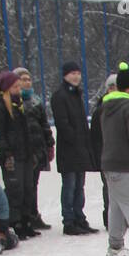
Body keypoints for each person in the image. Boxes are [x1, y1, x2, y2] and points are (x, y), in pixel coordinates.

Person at [100, 62, 129, 256]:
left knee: (117, 205)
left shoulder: (107, 106)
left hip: (109, 165)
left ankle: (115, 244)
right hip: (126, 165)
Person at [50, 60, 98, 235]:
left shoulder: (77, 94)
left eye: (78, 73)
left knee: (80, 186)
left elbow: (82, 124)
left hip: (80, 150)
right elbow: (63, 124)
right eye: (73, 73)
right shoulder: (60, 96)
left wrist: (86, 144)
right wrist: (76, 141)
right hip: (69, 151)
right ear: (65, 75)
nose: (76, 76)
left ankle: (79, 217)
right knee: (69, 186)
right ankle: (69, 221)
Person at [0, 69, 36, 238]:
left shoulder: (18, 104)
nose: (19, 89)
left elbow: (25, 131)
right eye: (16, 86)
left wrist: (30, 151)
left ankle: (26, 220)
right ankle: (15, 222)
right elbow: (0, 132)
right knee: (15, 189)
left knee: (28, 187)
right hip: (12, 155)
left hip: (24, 153)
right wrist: (7, 152)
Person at [12, 67, 54, 230]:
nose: (27, 82)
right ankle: (25, 216)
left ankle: (33, 214)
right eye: (23, 79)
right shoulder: (14, 102)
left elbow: (44, 124)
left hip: (37, 148)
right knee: (25, 185)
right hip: (23, 150)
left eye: (28, 79)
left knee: (33, 184)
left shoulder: (36, 101)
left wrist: (49, 143)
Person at [91, 72, 117, 230]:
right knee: (109, 189)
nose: (115, 90)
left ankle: (122, 221)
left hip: (121, 158)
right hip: (107, 157)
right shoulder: (100, 111)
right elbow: (95, 137)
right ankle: (110, 219)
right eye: (112, 87)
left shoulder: (126, 108)